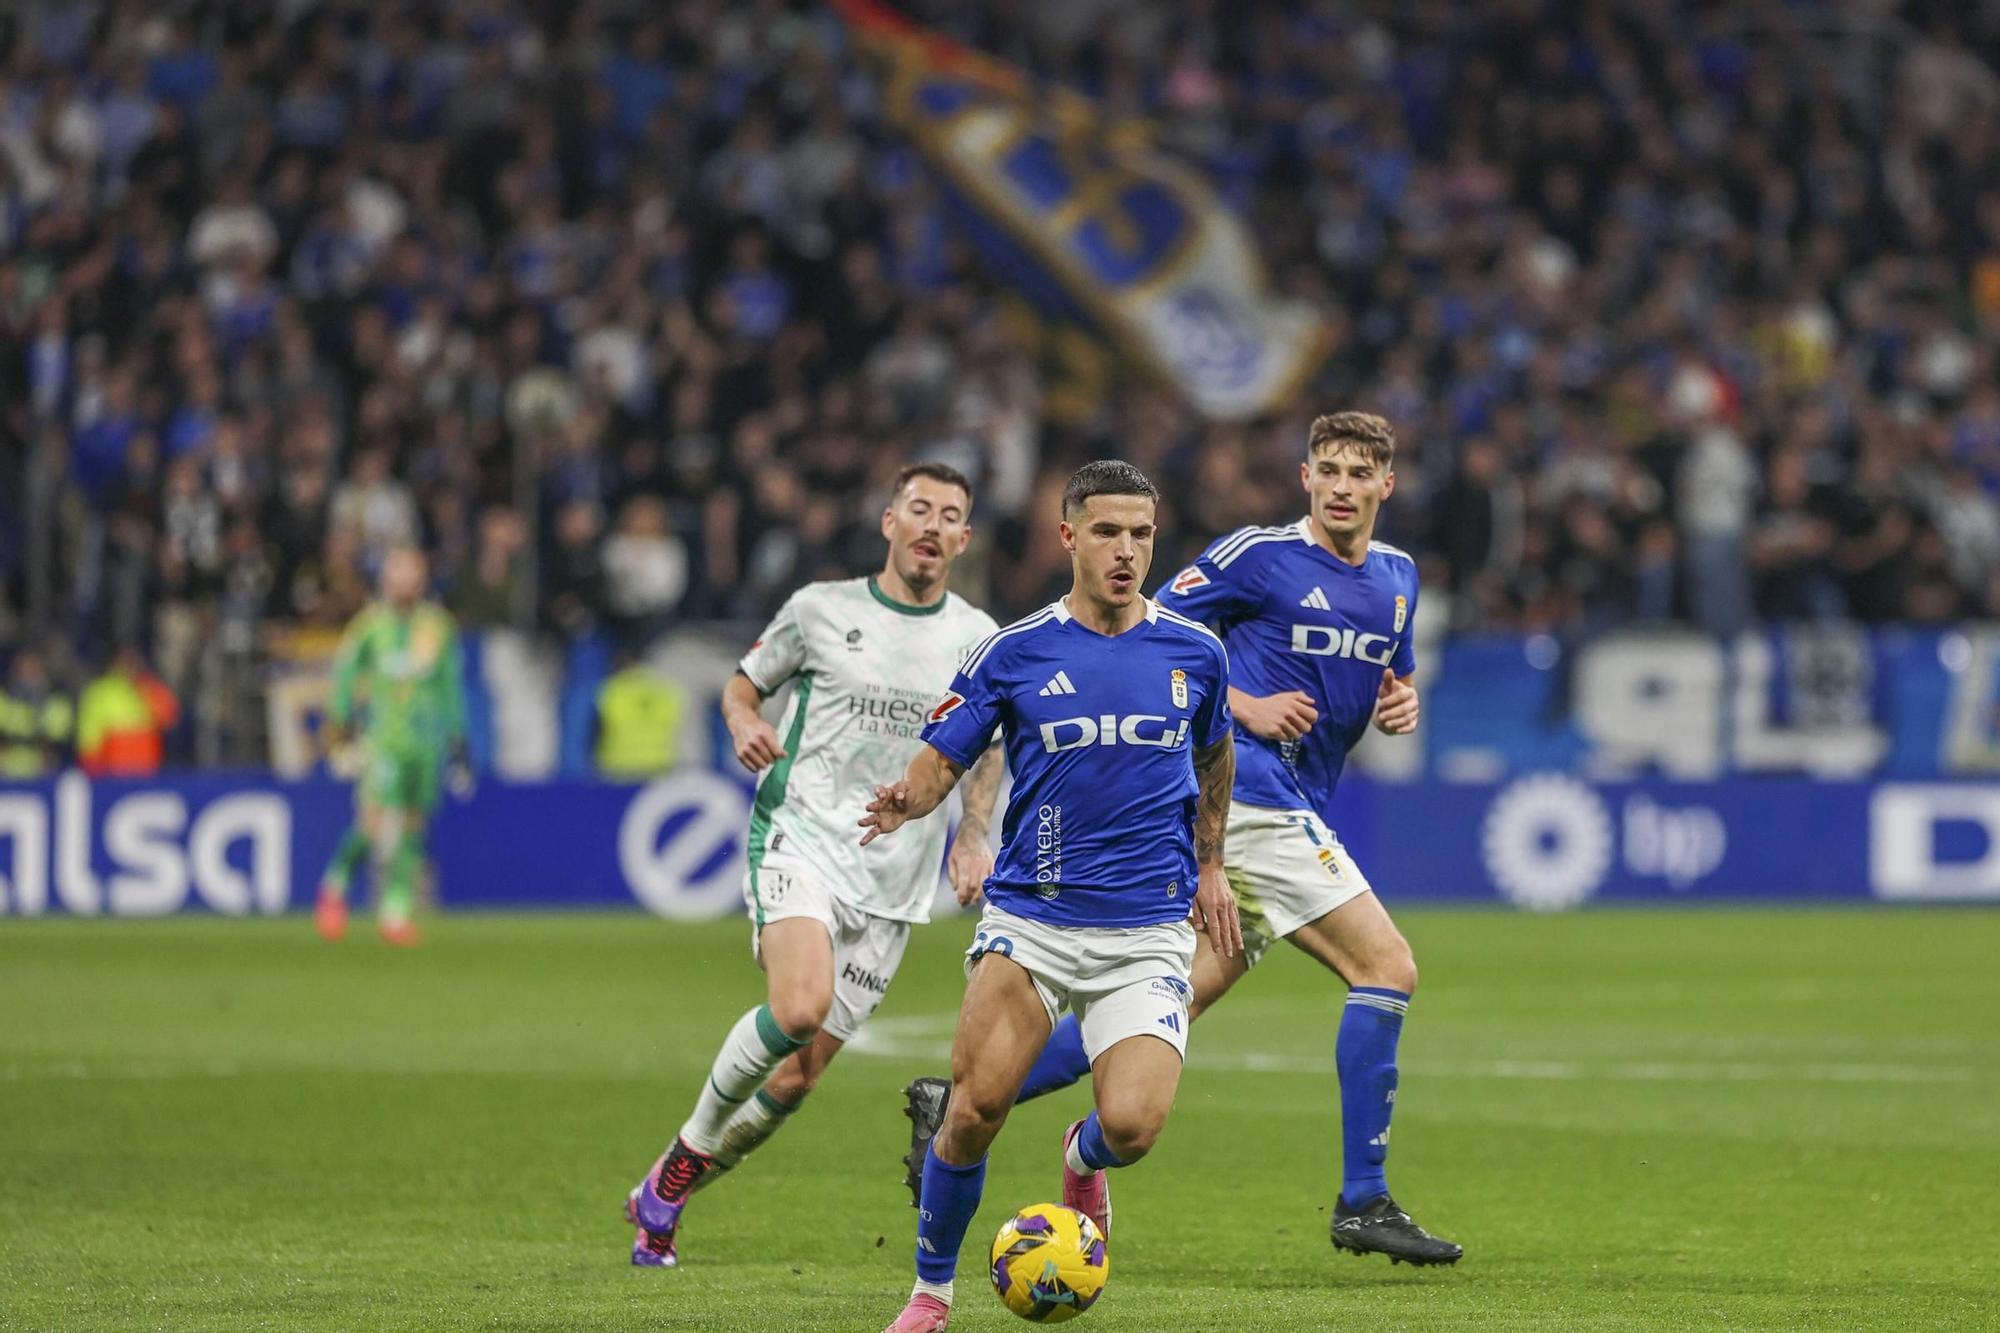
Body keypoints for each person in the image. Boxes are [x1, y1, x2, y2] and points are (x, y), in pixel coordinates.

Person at [900, 412, 1463, 1267]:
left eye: (1361, 473)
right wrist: (1248, 707)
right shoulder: (1256, 556)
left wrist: (1401, 698)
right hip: (1248, 794)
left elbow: (1395, 668)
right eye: (1329, 470)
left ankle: (976, 1102)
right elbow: (1164, 640)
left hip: (1294, 798)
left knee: (1168, 1005)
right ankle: (1363, 1196)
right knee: (1386, 966)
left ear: (1388, 484)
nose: (1343, 486)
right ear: (1306, 478)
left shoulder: (1398, 577)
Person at [864, 460, 1241, 1333]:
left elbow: (1216, 755)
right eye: (1107, 531)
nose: (1126, 550)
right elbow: (943, 757)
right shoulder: (1015, 650)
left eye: (1141, 533)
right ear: (1067, 536)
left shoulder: (1195, 651)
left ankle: (1082, 1154)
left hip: (1148, 926)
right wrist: (908, 799)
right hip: (1033, 919)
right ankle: (929, 1293)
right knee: (974, 1111)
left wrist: (1211, 861)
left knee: (1135, 1127)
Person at [622, 463, 1002, 1269]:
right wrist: (741, 721)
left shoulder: (976, 638)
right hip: (803, 836)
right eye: (919, 508)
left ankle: (661, 1185)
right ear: (889, 520)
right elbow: (741, 684)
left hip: (896, 883)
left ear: (964, 540)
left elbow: (988, 751)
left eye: (950, 516)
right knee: (799, 1005)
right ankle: (683, 1163)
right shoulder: (821, 609)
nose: (933, 524)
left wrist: (973, 834)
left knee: (794, 1080)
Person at [313, 546, 468, 948]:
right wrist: (341, 722)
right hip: (384, 738)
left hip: (426, 742)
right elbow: (346, 675)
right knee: (373, 824)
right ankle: (334, 888)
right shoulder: (369, 626)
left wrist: (459, 739)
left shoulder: (438, 626)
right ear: (385, 579)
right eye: (398, 573)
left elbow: (450, 686)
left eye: (413, 574)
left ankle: (395, 912)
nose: (406, 582)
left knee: (414, 827)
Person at [76, 646, 179, 776]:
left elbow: (170, 717)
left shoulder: (148, 687)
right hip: (113, 774)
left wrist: (147, 688)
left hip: (148, 771)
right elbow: (89, 735)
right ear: (115, 663)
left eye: (133, 660)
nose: (130, 665)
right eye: (125, 660)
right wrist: (91, 767)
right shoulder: (101, 691)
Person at [0, 649, 74, 778]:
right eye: (22, 670)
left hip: (43, 774)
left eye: (33, 670)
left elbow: (58, 744)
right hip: (6, 773)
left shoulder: (56, 701)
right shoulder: (4, 698)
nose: (27, 676)